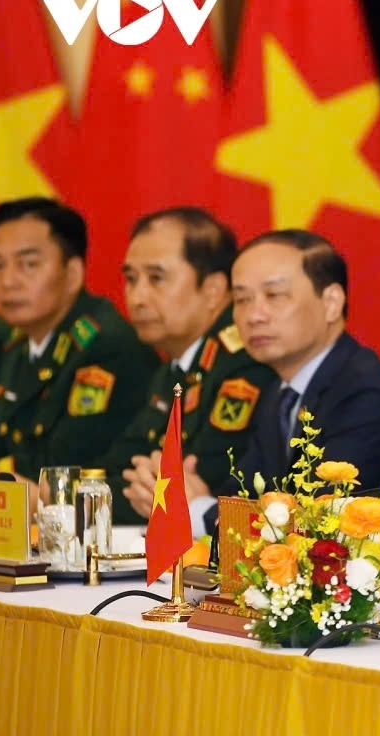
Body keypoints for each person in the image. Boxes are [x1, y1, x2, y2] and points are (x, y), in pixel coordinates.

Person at [196, 230, 380, 535]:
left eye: (274, 295)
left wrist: (199, 509)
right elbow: (242, 491)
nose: (253, 315)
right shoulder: (279, 390)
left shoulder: (365, 392)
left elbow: (317, 519)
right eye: (242, 299)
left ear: (331, 302)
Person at [100, 208, 277, 525]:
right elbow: (123, 464)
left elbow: (208, 480)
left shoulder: (243, 362)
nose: (137, 298)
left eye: (156, 278)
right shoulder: (174, 366)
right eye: (131, 279)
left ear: (212, 290)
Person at [0, 198, 159, 505]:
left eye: (29, 264)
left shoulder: (106, 347)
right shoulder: (19, 342)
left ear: (72, 273)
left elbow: (68, 466)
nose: (8, 281)